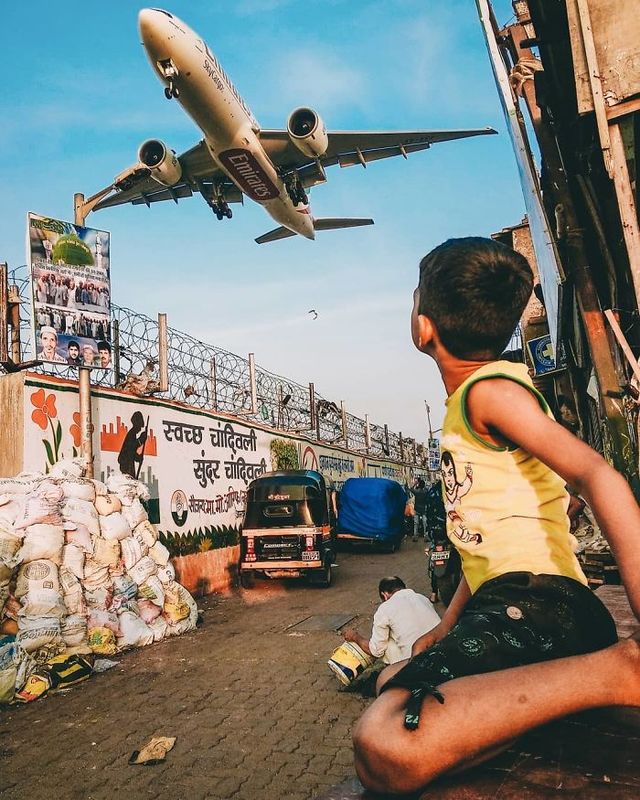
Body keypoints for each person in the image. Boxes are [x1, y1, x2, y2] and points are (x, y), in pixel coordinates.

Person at [352, 237, 640, 795]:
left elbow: (597, 475)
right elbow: (488, 546)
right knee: (391, 675)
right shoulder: (474, 403)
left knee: (382, 747)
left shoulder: (490, 394)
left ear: (424, 329)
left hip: (541, 605)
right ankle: (555, 701)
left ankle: (622, 671)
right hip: (515, 602)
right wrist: (445, 627)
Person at [343, 577, 441, 667]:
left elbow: (376, 651)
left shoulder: (384, 608)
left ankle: (395, 674)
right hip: (442, 653)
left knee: (385, 644)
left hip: (418, 664)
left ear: (384, 595)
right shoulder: (422, 598)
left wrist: (355, 636)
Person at [117, 411, 148, 478]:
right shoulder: (131, 434)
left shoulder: (132, 434)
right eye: (139, 426)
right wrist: (141, 439)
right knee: (130, 480)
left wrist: (138, 458)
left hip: (128, 461)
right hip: (126, 462)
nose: (140, 428)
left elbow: (132, 451)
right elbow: (131, 448)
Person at [411, 478, 429, 542]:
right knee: (425, 523)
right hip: (424, 509)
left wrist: (415, 484)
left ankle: (415, 536)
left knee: (416, 523)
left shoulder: (416, 492)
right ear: (423, 485)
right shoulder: (425, 492)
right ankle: (426, 536)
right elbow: (427, 490)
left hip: (417, 509)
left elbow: (411, 489)